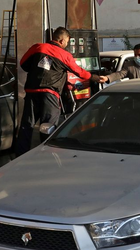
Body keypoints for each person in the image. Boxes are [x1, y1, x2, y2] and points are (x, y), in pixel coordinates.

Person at [15, 27, 107, 155]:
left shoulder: (37, 47)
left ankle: (20, 155)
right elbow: (80, 72)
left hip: (32, 91)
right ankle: (47, 155)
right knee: (48, 127)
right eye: (68, 42)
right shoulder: (64, 55)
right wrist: (96, 78)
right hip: (50, 94)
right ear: (62, 40)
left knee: (27, 125)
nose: (67, 45)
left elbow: (23, 64)